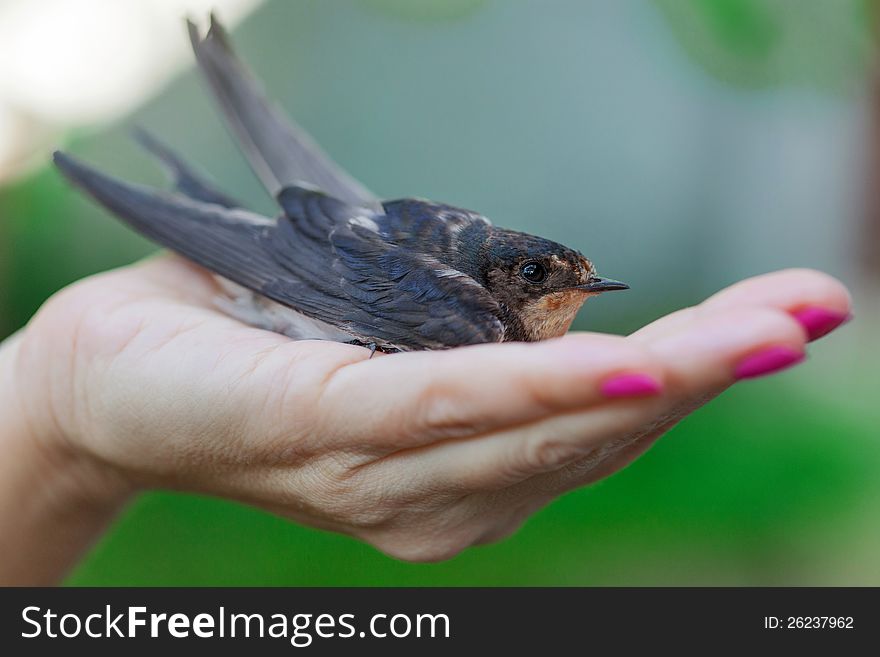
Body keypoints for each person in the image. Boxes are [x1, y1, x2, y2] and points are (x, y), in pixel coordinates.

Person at [0, 255, 852, 584]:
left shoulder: (486, 311)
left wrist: (53, 407)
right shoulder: (467, 312)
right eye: (544, 279)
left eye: (579, 283)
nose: (569, 296)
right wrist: (55, 396)